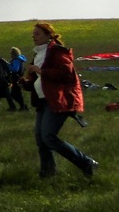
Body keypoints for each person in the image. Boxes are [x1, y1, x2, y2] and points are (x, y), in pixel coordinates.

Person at [24, 21, 98, 179]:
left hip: (59, 100)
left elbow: (66, 74)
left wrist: (41, 71)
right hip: (43, 101)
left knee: (48, 136)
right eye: (33, 34)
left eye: (37, 34)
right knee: (41, 139)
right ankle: (47, 173)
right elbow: (39, 80)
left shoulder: (57, 51)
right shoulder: (38, 54)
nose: (33, 36)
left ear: (48, 35)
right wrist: (25, 83)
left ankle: (86, 163)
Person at [8, 47, 30, 111]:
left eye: (11, 53)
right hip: (19, 78)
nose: (10, 55)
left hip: (16, 79)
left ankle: (23, 106)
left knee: (14, 94)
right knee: (17, 93)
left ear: (14, 54)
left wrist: (8, 65)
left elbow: (15, 69)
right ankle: (23, 106)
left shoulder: (16, 60)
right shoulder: (20, 60)